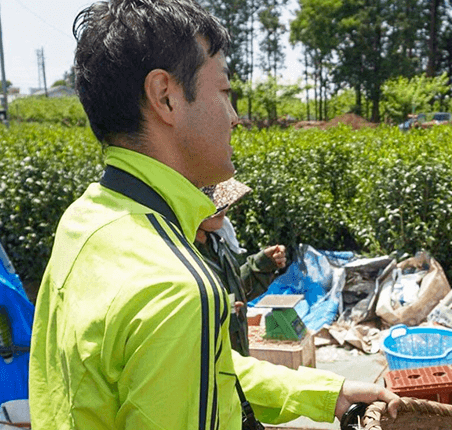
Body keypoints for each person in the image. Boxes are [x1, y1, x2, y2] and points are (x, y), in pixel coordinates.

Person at [28, 1, 399, 429]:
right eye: (224, 92)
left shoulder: (86, 219)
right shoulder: (177, 289)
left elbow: (198, 369)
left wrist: (323, 393)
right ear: (165, 96)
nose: (235, 117)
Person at [195, 178, 286, 356]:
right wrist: (220, 310)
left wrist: (263, 264)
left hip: (234, 351)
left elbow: (235, 292)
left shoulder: (216, 244)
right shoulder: (182, 253)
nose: (223, 208)